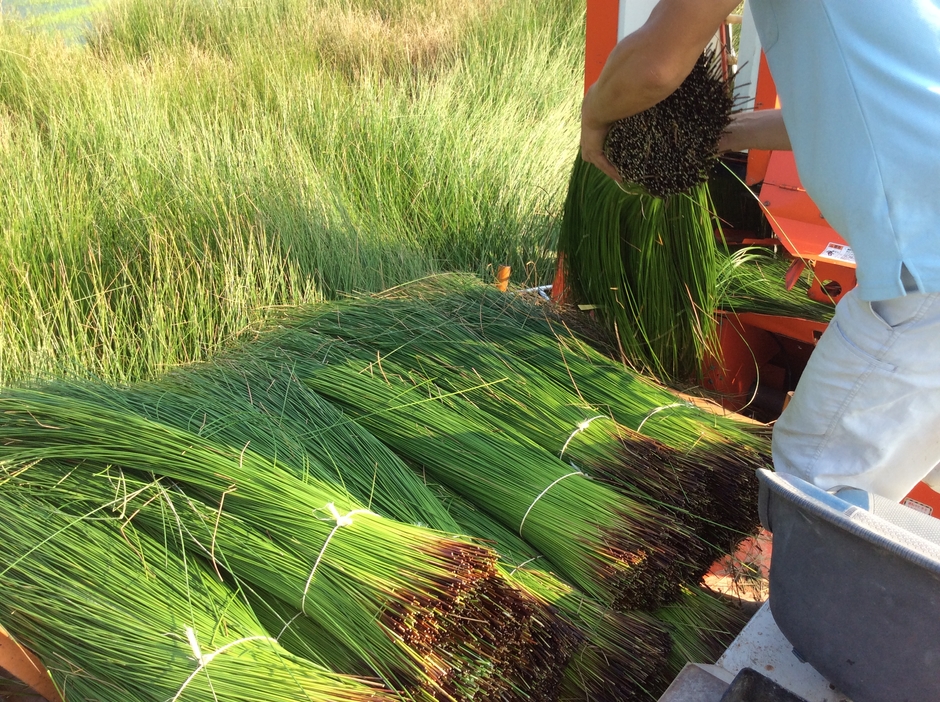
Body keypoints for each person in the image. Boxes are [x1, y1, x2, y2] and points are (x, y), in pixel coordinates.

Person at [581, 0, 940, 502]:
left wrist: (594, 114)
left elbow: (654, 67)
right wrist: (724, 134)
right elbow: (858, 111)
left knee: (813, 485)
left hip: (925, 270)